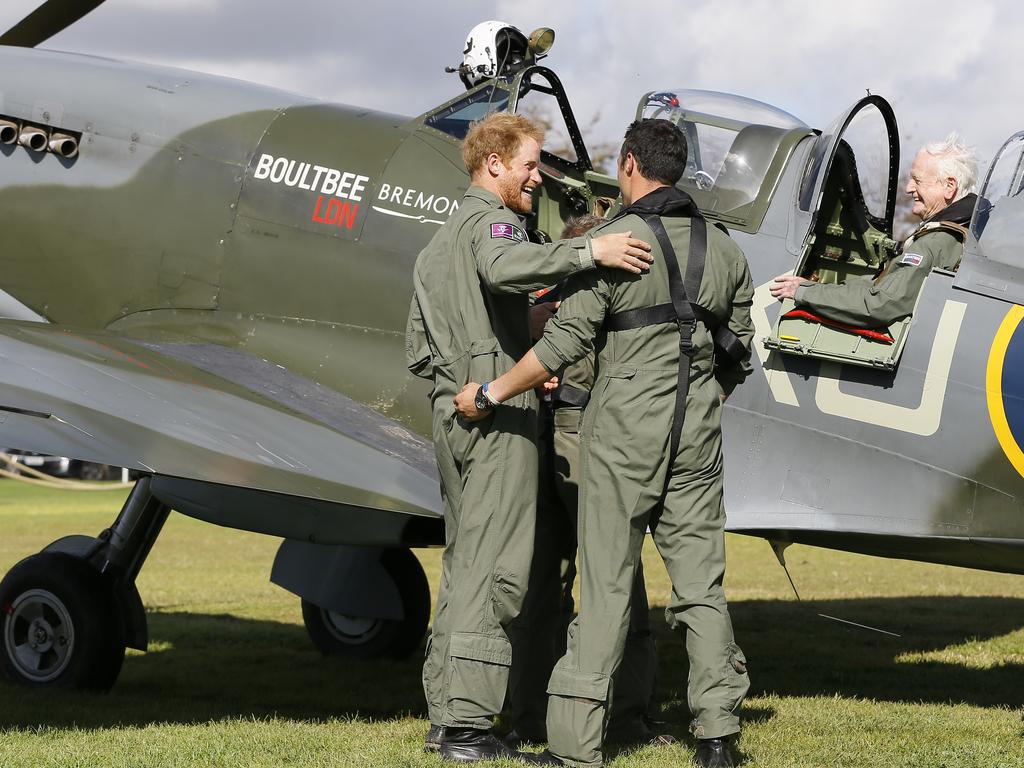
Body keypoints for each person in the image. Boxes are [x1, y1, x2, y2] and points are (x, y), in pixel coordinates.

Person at [454, 118, 755, 768]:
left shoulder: (617, 243)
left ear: (628, 166)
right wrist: (705, 396)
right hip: (697, 435)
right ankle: (718, 739)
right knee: (701, 586)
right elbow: (740, 349)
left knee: (607, 586)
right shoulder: (726, 250)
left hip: (622, 437)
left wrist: (494, 392)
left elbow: (562, 344)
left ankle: (572, 746)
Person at [406, 111, 653, 764]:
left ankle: (445, 715)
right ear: (493, 164)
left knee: (464, 565)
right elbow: (503, 267)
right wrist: (589, 250)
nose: (536, 176)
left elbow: (417, 343)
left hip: (454, 407)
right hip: (495, 415)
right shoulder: (492, 225)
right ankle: (466, 728)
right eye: (528, 163)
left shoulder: (439, 241)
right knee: (501, 574)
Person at [506, 214, 663, 750]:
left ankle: (527, 715)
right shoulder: (602, 297)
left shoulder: (544, 303)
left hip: (540, 438)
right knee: (618, 582)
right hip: (587, 446)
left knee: (540, 587)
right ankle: (623, 719)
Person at [770, 133, 978, 326]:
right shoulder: (964, 234)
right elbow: (878, 286)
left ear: (949, 186)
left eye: (917, 180)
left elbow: (880, 304)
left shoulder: (935, 242)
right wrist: (812, 288)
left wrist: (803, 293)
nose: (908, 188)